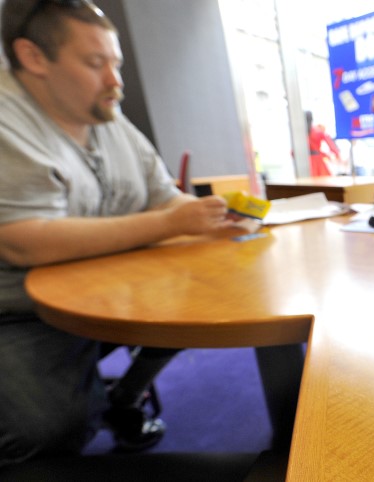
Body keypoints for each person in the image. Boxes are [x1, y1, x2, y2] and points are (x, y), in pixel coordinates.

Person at [0, 0, 238, 467]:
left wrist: (208, 215)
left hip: (104, 290)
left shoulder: (108, 117)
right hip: (23, 311)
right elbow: (23, 240)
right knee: (49, 430)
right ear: (33, 57)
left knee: (207, 302)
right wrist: (169, 223)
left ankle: (123, 397)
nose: (116, 81)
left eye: (117, 63)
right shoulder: (8, 123)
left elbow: (165, 197)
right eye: (95, 63)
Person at [305, 110, 342, 177]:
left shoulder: (301, 132)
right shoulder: (317, 131)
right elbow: (330, 144)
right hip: (317, 160)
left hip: (305, 160)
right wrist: (337, 154)